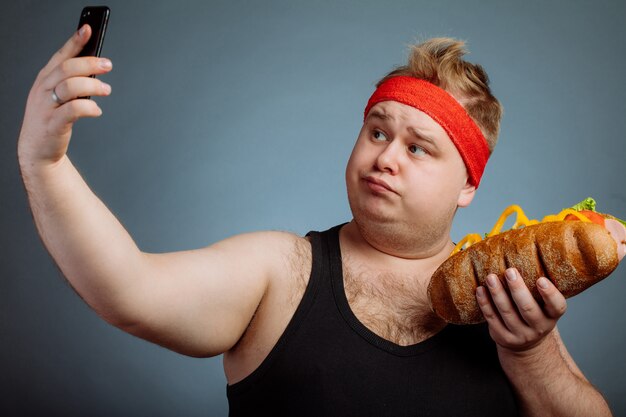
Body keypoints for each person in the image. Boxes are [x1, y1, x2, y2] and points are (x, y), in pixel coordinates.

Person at [17, 24, 613, 417]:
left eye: (418, 147)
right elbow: (128, 289)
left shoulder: (509, 300)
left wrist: (532, 353)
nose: (384, 157)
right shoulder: (279, 272)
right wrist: (45, 164)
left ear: (468, 186)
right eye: (377, 132)